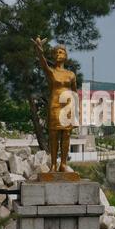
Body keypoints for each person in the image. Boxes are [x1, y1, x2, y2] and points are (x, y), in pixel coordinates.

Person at [32, 36, 77, 172]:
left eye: (61, 52)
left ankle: (63, 164)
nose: (58, 54)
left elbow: (74, 92)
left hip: (68, 105)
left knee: (66, 135)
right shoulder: (51, 72)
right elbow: (43, 63)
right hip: (55, 105)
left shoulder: (71, 74)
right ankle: (53, 164)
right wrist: (39, 51)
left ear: (65, 56)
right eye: (56, 52)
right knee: (54, 135)